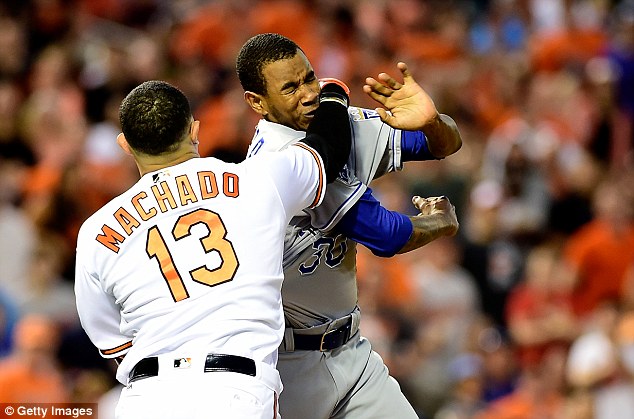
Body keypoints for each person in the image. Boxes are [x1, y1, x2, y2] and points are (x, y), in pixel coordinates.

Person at [74, 79, 352, 419]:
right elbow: (328, 150)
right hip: (234, 391)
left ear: (125, 145)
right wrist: (333, 93)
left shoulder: (96, 232)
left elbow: (114, 343)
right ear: (195, 130)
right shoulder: (258, 180)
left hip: (146, 398)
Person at [236, 33, 462, 418]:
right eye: (290, 88)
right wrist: (440, 222)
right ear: (257, 102)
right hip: (287, 368)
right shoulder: (277, 166)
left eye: (309, 78)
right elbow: (385, 234)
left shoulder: (337, 123)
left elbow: (444, 144)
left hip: (352, 352)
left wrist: (432, 122)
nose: (309, 94)